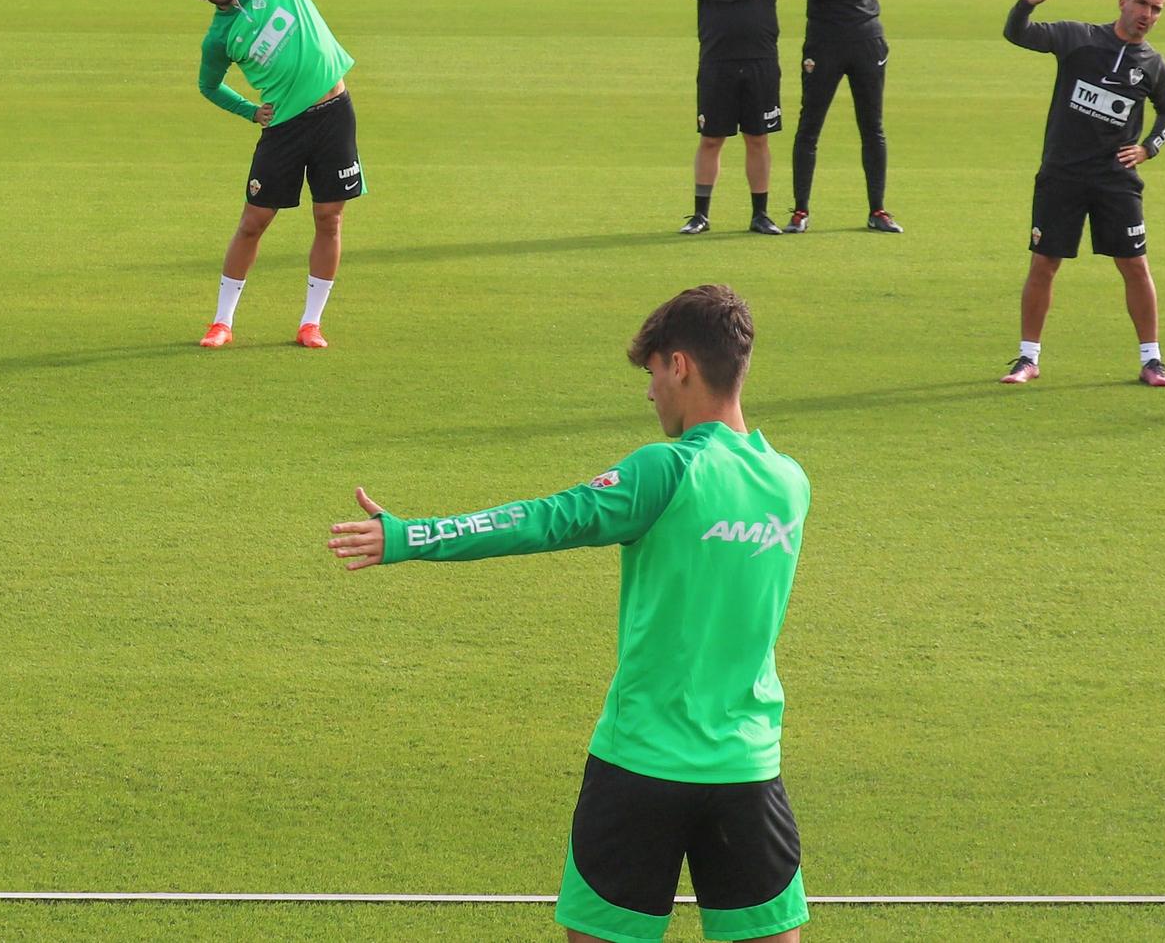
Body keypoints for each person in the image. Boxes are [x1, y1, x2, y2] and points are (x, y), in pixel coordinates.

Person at [328, 285, 809, 943]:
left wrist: (412, 535)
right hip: (748, 775)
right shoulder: (790, 484)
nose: (650, 394)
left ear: (681, 366)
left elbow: (544, 520)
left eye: (652, 374)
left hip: (640, 767)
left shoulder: (665, 471)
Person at [185, 0, 362, 349]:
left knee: (329, 219)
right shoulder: (218, 40)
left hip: (334, 112)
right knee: (253, 223)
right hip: (283, 128)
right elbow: (208, 86)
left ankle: (311, 323)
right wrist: (249, 111)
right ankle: (222, 322)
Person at [999, 0, 1165, 387]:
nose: (1147, 15)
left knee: (1134, 266)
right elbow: (1017, 34)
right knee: (1044, 263)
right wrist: (1026, 3)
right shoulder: (1077, 38)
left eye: (1156, 9)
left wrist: (1149, 147)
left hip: (1116, 181)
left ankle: (1152, 361)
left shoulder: (1153, 64)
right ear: (1122, 2)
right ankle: (1028, 358)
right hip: (1062, 176)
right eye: (1142, 4)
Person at [788, 0, 899, 234]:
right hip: (823, 41)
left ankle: (878, 210)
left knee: (873, 128)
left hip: (867, 38)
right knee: (810, 127)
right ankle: (800, 211)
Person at [683, 0, 786, 235]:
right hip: (717, 57)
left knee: (758, 137)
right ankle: (700, 215)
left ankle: (760, 214)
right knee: (711, 137)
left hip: (760, 57)